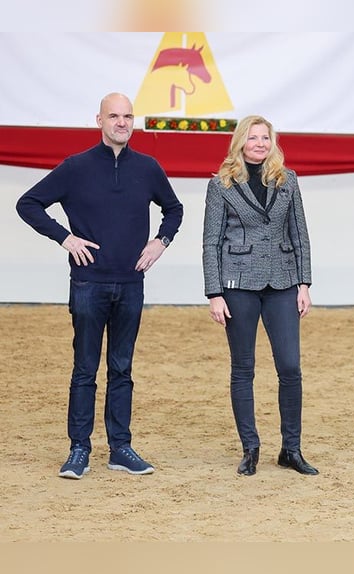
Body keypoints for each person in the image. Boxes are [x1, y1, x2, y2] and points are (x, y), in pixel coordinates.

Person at [16, 92, 183, 480]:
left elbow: (174, 209)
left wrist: (161, 241)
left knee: (122, 369)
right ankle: (79, 450)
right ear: (99, 120)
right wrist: (65, 238)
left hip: (131, 283)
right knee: (85, 370)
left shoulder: (148, 167)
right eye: (114, 116)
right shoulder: (75, 168)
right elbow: (28, 203)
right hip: (88, 284)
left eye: (127, 116)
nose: (121, 122)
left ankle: (120, 448)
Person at [202, 115, 318, 477]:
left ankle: (291, 449)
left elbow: (300, 234)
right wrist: (214, 293)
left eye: (265, 138)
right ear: (240, 142)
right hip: (237, 286)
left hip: (282, 283)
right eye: (252, 138)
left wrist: (304, 283)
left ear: (273, 142)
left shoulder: (288, 180)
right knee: (243, 368)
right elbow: (210, 241)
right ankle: (250, 448)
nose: (259, 143)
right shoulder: (221, 185)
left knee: (290, 367)